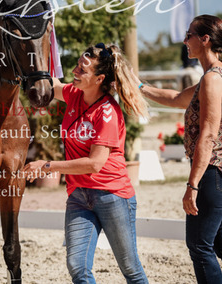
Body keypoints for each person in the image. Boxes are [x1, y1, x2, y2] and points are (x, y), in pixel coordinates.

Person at [24, 43, 150, 283]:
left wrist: (47, 165)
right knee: (77, 266)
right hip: (79, 196)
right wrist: (41, 43)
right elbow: (50, 83)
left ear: (99, 79)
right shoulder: (74, 93)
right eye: (77, 65)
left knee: (130, 268)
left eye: (83, 70)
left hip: (111, 195)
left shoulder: (108, 112)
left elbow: (94, 164)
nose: (75, 71)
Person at [139, 15, 222, 283]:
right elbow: (177, 98)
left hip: (214, 173)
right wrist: (138, 86)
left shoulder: (212, 80)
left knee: (200, 246)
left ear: (205, 39)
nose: (185, 40)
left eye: (189, 35)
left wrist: (192, 184)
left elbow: (208, 136)